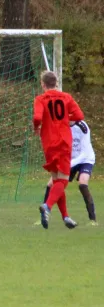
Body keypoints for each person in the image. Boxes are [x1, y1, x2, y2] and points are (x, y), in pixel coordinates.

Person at [34, 70, 84, 229]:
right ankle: (47, 206)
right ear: (56, 83)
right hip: (63, 142)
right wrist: (65, 119)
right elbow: (79, 116)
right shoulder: (66, 97)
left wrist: (36, 127)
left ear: (43, 84)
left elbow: (37, 117)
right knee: (63, 181)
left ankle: (66, 217)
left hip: (48, 143)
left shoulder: (40, 99)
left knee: (57, 181)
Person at [39, 120, 97, 226]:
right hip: (69, 160)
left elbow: (84, 153)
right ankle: (44, 215)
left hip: (85, 159)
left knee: (82, 183)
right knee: (51, 184)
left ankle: (92, 219)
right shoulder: (60, 126)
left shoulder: (82, 126)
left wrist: (68, 164)